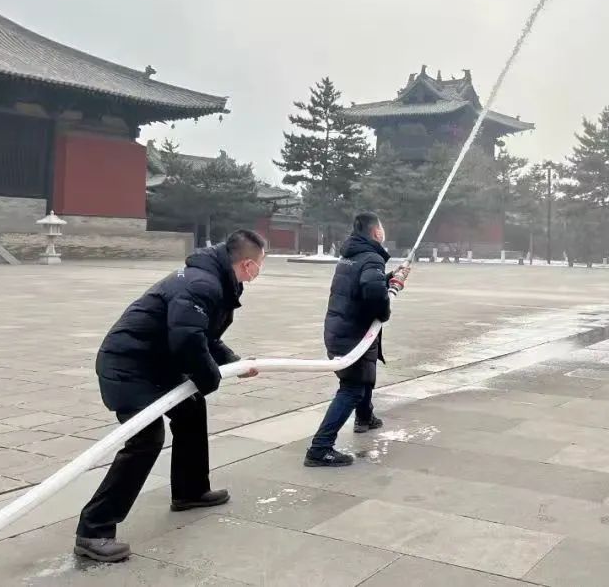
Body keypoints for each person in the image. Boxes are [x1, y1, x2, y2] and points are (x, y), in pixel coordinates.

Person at [73, 229, 266, 563]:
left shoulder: (213, 280)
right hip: (128, 366)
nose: (262, 269)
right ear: (247, 264)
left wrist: (234, 363)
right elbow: (188, 340)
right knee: (146, 439)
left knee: (191, 410)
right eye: (262, 263)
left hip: (155, 364)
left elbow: (202, 336)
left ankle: (190, 491)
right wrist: (212, 377)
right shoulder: (202, 284)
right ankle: (94, 531)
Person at [304, 212, 409, 467]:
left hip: (341, 329)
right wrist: (389, 299)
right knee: (351, 387)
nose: (383, 232)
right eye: (382, 228)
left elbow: (363, 286)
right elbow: (374, 297)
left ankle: (365, 417)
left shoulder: (351, 256)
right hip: (352, 335)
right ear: (376, 233)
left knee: (364, 375)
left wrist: (389, 277)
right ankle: (320, 448)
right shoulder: (372, 258)